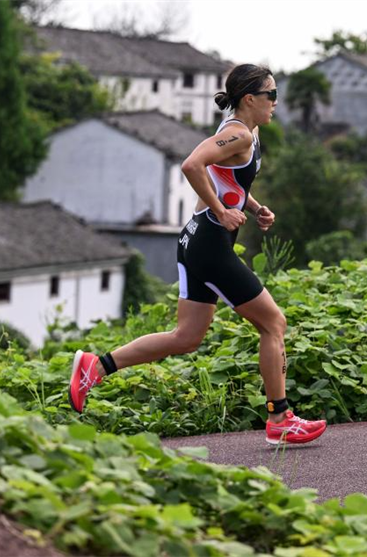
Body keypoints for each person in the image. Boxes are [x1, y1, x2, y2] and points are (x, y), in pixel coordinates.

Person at [68, 64, 327, 445]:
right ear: (250, 99)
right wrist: (222, 212)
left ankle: (97, 366)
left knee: (186, 337)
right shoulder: (238, 133)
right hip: (208, 242)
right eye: (271, 95)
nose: (276, 102)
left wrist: (253, 208)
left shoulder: (246, 133)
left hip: (198, 240)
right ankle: (280, 418)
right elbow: (192, 164)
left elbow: (229, 179)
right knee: (273, 323)